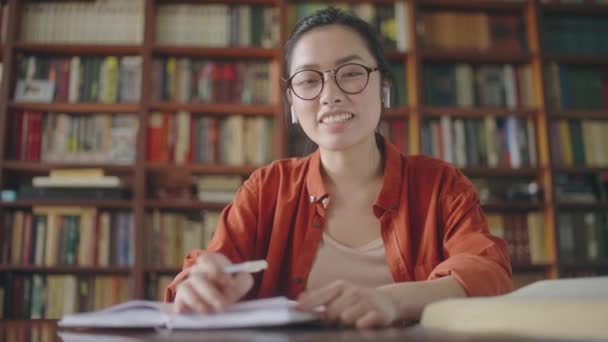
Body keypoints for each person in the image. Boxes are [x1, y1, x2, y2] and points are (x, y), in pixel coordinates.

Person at [166, 7, 512, 328]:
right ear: (291, 103)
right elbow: (205, 271)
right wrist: (197, 287)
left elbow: (487, 271)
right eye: (308, 80)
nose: (330, 94)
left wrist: (394, 301)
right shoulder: (267, 188)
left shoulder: (439, 184)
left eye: (350, 73)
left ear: (384, 88)